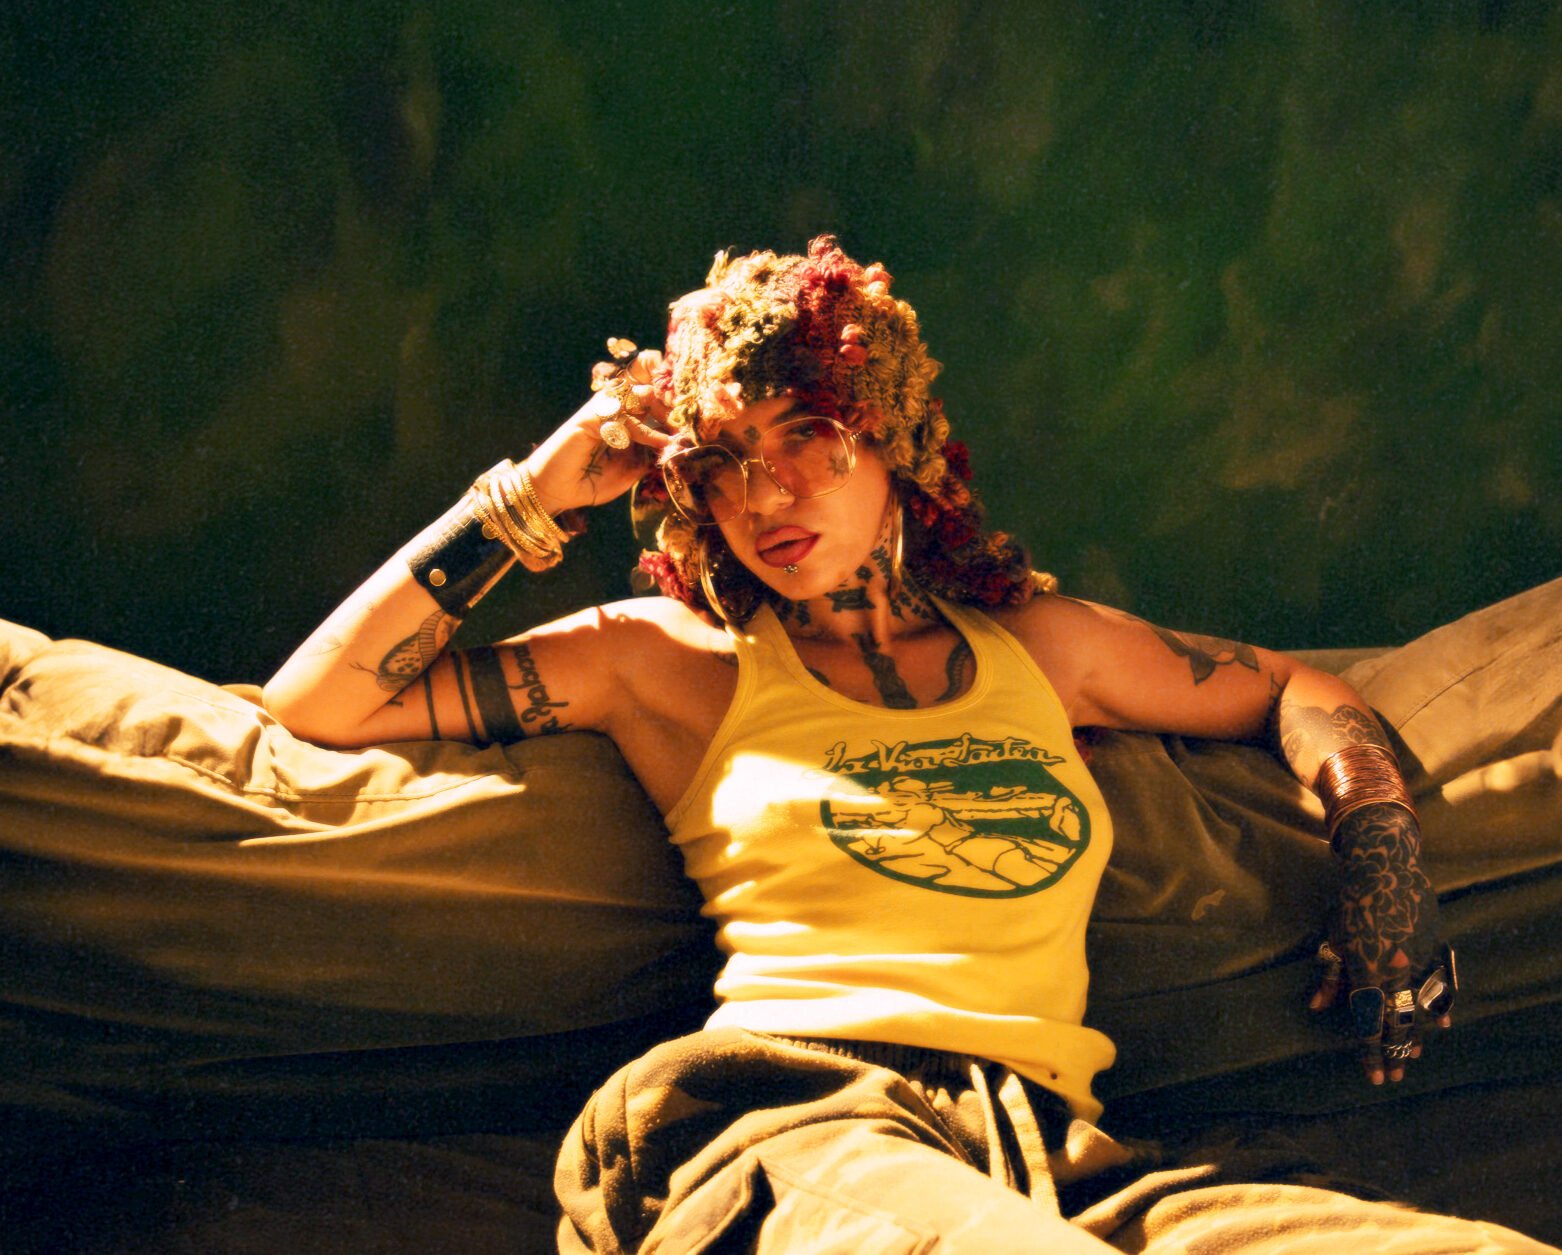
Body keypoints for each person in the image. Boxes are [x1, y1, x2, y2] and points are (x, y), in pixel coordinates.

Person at [263, 238, 1540, 1253]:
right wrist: (537, 489)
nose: (765, 496)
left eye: (802, 437)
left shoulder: (1038, 647)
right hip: (785, 1121)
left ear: (890, 437)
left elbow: (1293, 689)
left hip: (1051, 1154)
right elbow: (320, 699)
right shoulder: (672, 661)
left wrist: (1380, 851)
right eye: (722, 462)